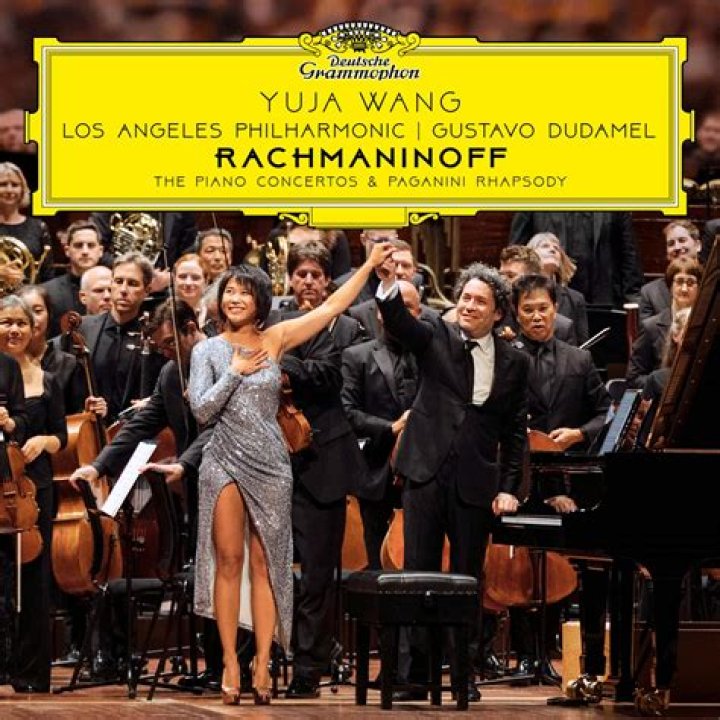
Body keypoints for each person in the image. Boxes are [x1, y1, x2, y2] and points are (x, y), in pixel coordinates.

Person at [187, 240, 392, 705]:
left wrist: (366, 266)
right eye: (229, 292)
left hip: (272, 464)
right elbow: (201, 411)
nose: (234, 298)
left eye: (244, 292)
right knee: (229, 562)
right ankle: (230, 661)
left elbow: (333, 307)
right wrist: (235, 371)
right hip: (222, 461)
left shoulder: (276, 339)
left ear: (260, 300)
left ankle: (263, 661)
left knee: (267, 564)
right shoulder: (207, 351)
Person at [375, 258, 529, 701]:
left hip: (475, 480)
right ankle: (415, 676)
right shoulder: (436, 336)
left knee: (467, 580)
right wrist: (389, 285)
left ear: (498, 312)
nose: (469, 306)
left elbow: (514, 432)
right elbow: (401, 322)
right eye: (465, 298)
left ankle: (464, 674)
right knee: (418, 574)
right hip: (425, 471)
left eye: (480, 301)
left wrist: (509, 487)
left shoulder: (515, 361)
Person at [271, 240, 369, 699]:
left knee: (316, 576)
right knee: (268, 569)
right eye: (301, 274)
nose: (308, 282)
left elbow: (330, 376)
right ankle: (261, 659)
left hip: (323, 462)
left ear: (329, 280)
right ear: (290, 278)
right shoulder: (274, 321)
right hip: (272, 460)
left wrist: (280, 357)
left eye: (316, 274)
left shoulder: (343, 328)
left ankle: (308, 669)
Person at [506, 273, 610, 679]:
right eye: (528, 310)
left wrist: (579, 433)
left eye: (543, 309)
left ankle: (550, 649)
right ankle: (523, 652)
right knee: (518, 564)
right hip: (518, 476)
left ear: (556, 310)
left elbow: (604, 413)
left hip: (566, 478)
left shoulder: (578, 360)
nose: (536, 316)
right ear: (516, 313)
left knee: (559, 563)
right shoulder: (506, 355)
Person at [0, 294, 67, 692]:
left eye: (21, 323)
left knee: (33, 577)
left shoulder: (49, 379)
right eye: (6, 322)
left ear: (34, 328)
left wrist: (43, 440)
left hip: (32, 487)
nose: (14, 330)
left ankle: (30, 670)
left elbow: (62, 436)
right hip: (1, 482)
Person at [341, 279, 422, 569]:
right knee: (375, 562)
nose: (400, 312)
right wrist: (391, 427)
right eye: (394, 306)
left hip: (422, 474)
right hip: (375, 470)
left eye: (407, 307)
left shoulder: (431, 356)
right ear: (379, 312)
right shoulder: (357, 356)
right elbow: (347, 411)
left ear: (419, 313)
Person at [57, 251, 166, 422]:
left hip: (135, 429)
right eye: (118, 281)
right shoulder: (81, 329)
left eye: (132, 284)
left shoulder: (156, 336)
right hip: (88, 428)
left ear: (147, 291)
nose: (123, 290)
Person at [508, 211, 644, 308]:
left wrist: (632, 299)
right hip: (551, 299)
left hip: (604, 299)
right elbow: (517, 254)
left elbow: (628, 253)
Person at [626, 257, 702, 389]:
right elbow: (634, 378)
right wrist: (660, 381)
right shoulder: (651, 327)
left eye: (690, 283)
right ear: (670, 286)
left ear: (699, 287)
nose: (684, 289)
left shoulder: (706, 325)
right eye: (679, 282)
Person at [497, 245, 578, 345]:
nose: (502, 281)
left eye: (510, 276)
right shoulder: (493, 320)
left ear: (531, 279)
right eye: (501, 275)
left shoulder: (562, 328)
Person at [42, 219, 105, 336]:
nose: (85, 251)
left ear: (100, 251)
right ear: (67, 250)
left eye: (91, 245)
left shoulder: (114, 289)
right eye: (78, 245)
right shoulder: (48, 292)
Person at [526, 232, 589, 344]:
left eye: (556, 248)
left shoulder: (575, 298)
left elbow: (582, 343)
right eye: (545, 246)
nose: (552, 249)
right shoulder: (520, 293)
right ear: (530, 255)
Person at [639, 220, 703, 322]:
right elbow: (646, 330)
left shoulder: (714, 284)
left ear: (698, 245)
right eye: (671, 244)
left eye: (682, 240)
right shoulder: (650, 292)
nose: (677, 247)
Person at [0, 162, 53, 283]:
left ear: (22, 189)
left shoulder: (38, 227)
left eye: (15, 185)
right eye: (3, 184)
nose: (9, 190)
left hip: (29, 293)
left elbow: (47, 274)